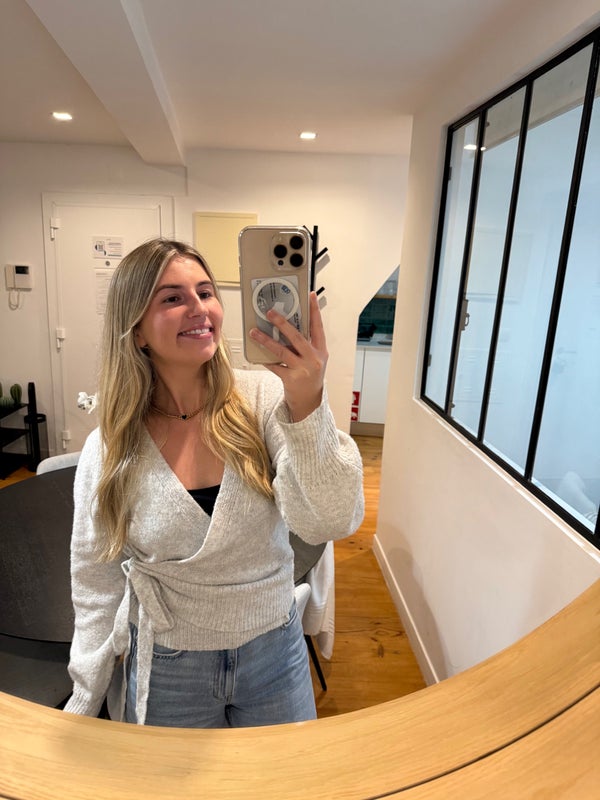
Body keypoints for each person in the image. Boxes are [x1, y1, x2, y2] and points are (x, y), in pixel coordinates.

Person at [63, 238, 364, 728]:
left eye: (205, 292)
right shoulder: (111, 445)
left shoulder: (266, 399)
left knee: (284, 774)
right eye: (172, 297)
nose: (199, 308)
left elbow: (329, 521)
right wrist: (85, 695)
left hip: (274, 651)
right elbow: (96, 580)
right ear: (136, 330)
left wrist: (308, 401)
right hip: (167, 664)